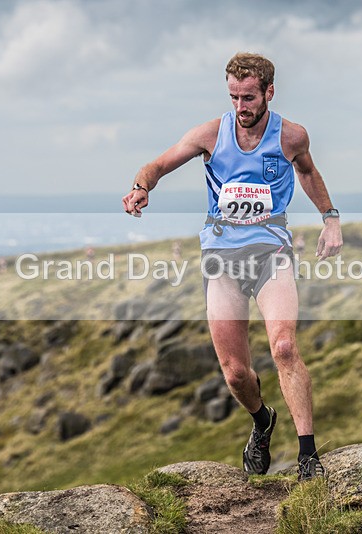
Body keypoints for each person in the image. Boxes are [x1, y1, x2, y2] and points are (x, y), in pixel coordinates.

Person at [122, 52, 342, 481]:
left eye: (249, 98)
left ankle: (307, 456)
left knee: (283, 348)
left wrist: (330, 218)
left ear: (268, 93)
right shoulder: (210, 134)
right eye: (234, 97)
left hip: (271, 255)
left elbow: (309, 173)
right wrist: (140, 186)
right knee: (237, 373)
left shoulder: (291, 136)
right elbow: (159, 164)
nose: (241, 107)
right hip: (221, 262)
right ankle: (262, 421)